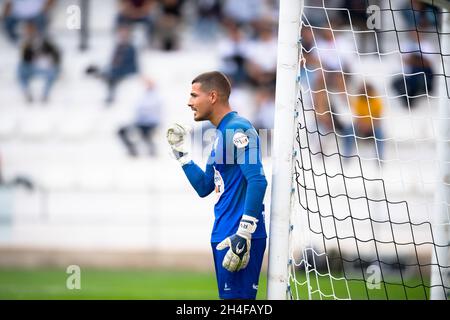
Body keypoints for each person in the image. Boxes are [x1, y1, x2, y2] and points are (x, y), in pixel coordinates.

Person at [166, 71, 268, 300]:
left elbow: (258, 180)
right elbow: (205, 186)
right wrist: (181, 155)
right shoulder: (221, 134)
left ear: (212, 96)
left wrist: (244, 233)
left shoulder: (237, 128)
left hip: (239, 236)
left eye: (194, 95)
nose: (189, 102)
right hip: (224, 232)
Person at [85, 24, 138, 104]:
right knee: (105, 71)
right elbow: (112, 61)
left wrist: (118, 68)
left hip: (124, 71)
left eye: (124, 34)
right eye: (121, 33)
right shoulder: (118, 46)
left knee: (112, 76)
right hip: (115, 69)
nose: (122, 35)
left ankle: (110, 96)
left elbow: (131, 64)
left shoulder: (130, 48)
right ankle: (98, 73)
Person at [18, 21, 60, 103]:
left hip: (46, 67)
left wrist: (48, 60)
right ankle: (27, 92)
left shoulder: (44, 39)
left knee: (54, 71)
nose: (29, 31)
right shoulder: (24, 42)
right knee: (21, 70)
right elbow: (24, 58)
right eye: (27, 29)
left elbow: (55, 53)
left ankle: (45, 94)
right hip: (31, 67)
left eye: (31, 29)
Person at [117, 78, 162, 157]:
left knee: (145, 133)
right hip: (139, 123)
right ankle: (132, 149)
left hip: (150, 123)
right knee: (121, 131)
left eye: (149, 84)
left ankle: (151, 149)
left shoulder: (158, 97)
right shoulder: (142, 95)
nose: (147, 86)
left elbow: (154, 112)